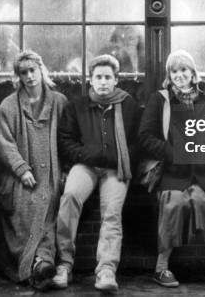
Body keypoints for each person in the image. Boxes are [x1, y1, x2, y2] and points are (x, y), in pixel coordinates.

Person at [138, 50, 205, 288]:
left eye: (184, 70)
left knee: (202, 201)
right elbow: (145, 136)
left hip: (201, 173)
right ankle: (161, 268)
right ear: (169, 75)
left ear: (193, 73)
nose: (180, 75)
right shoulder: (160, 100)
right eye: (174, 71)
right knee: (173, 203)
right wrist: (172, 153)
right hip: (172, 173)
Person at [53, 54, 140, 292]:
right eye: (98, 77)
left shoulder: (128, 104)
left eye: (108, 77)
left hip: (116, 168)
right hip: (85, 166)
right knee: (70, 197)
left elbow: (136, 142)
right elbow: (66, 141)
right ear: (91, 80)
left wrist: (118, 158)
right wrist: (88, 156)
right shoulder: (77, 106)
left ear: (115, 80)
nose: (103, 82)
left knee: (111, 211)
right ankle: (64, 263)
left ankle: (106, 270)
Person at [0, 51, 67, 289]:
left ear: (41, 70)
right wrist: (21, 169)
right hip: (20, 177)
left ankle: (42, 260)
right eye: (23, 73)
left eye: (32, 71)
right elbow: (4, 143)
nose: (29, 76)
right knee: (26, 207)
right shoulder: (8, 106)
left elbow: (68, 139)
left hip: (51, 175)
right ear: (18, 77)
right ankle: (33, 262)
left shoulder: (59, 102)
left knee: (47, 207)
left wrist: (65, 169)